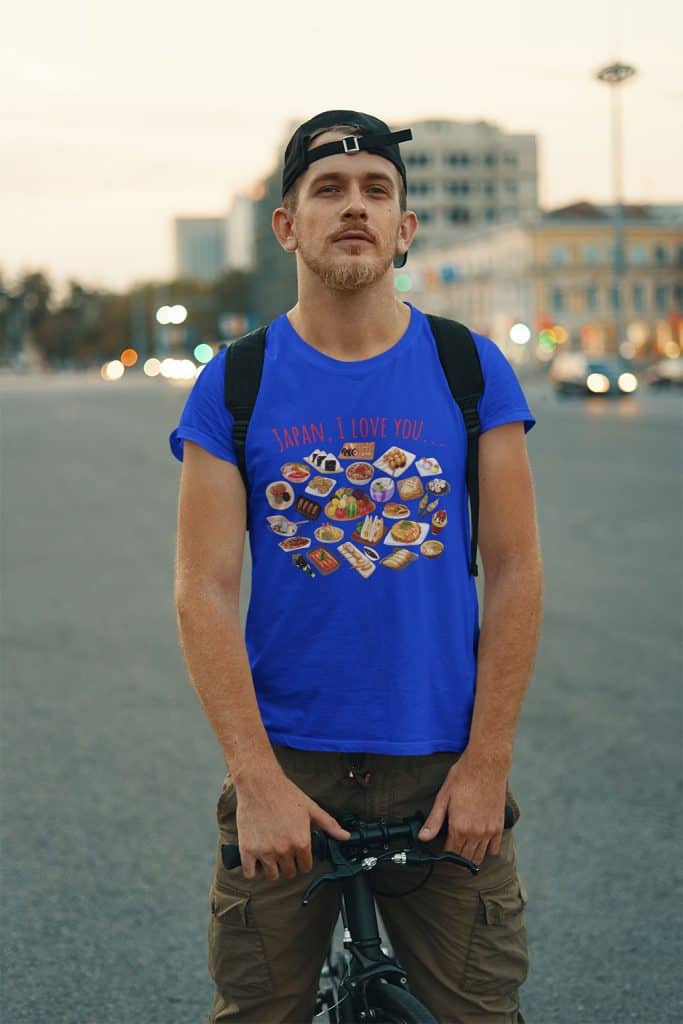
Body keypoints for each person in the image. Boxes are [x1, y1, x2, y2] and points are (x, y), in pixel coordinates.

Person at [170, 109, 543, 1023]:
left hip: (439, 766)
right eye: (328, 190)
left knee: (479, 1012)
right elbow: (204, 590)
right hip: (287, 758)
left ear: (404, 231)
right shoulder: (236, 380)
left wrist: (486, 765)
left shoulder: (467, 366)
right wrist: (255, 780)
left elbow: (517, 568)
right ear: (287, 226)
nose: (355, 206)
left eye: (377, 191)